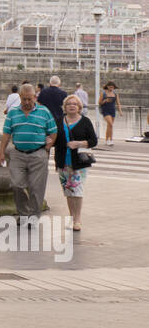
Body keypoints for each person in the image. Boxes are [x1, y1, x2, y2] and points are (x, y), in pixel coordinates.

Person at [0, 82, 58, 218]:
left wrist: (48, 147)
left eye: (29, 99)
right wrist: (1, 152)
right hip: (18, 154)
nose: (26, 102)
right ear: (20, 97)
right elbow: (6, 134)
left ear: (34, 97)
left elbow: (53, 131)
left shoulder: (44, 112)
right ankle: (24, 213)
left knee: (36, 189)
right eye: (24, 99)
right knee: (16, 185)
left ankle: (33, 216)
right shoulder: (13, 112)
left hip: (38, 154)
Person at [54, 93, 97, 232]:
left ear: (79, 107)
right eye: (69, 104)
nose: (72, 106)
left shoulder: (85, 121)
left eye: (74, 104)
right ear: (64, 107)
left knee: (77, 191)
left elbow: (93, 141)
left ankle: (77, 219)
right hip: (63, 161)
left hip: (79, 163)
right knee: (68, 191)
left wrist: (78, 143)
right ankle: (71, 218)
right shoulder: (59, 121)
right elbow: (54, 139)